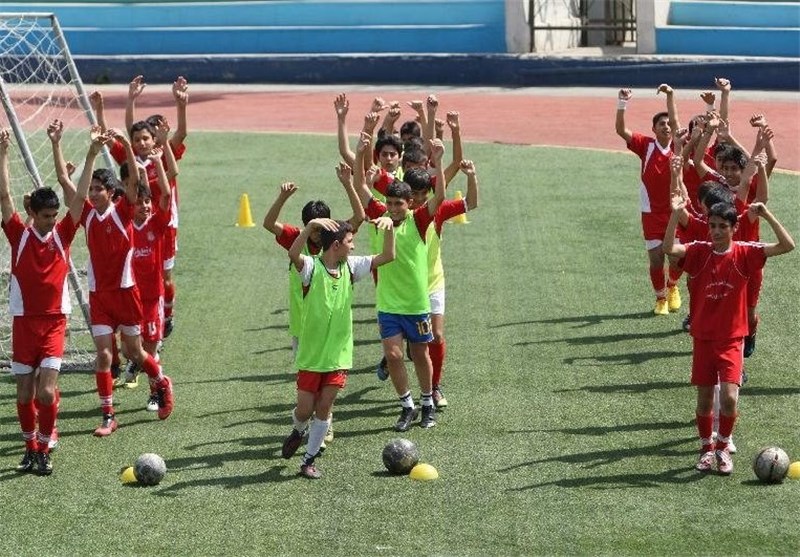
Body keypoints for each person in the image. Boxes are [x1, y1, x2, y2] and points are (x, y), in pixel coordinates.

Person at [663, 195, 794, 475]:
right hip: (703, 338)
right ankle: (706, 450)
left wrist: (767, 215)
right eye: (712, 226)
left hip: (732, 339)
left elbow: (788, 245)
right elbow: (668, 249)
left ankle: (722, 447)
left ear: (734, 228)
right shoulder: (698, 250)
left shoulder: (746, 252)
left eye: (723, 226)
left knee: (731, 397)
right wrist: (675, 214)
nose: (716, 231)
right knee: (704, 400)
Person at [68, 128, 174, 436]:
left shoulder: (124, 212)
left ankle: (161, 383)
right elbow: (71, 186)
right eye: (93, 188)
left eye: (99, 188)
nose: (93, 192)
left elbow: (137, 184)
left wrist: (127, 145)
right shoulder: (87, 215)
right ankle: (108, 415)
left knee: (136, 353)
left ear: (112, 193)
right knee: (103, 354)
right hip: (99, 295)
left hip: (127, 294)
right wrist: (86, 153)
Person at [280, 216, 395, 479]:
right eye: (350, 242)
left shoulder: (351, 267)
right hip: (311, 355)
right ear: (335, 246)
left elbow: (388, 255)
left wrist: (389, 229)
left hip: (338, 354)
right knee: (304, 410)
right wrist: (309, 228)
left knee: (324, 407)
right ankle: (298, 430)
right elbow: (293, 253)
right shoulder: (310, 267)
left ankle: (308, 460)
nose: (353, 247)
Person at [262, 163, 365, 444]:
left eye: (324, 228)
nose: (321, 235)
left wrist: (347, 183)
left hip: (330, 329)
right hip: (302, 326)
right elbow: (269, 224)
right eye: (317, 229)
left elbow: (359, 216)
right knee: (309, 384)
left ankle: (325, 422)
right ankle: (305, 424)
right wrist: (282, 198)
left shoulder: (337, 245)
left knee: (327, 385)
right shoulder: (299, 241)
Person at [0, 129, 81, 475]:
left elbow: (77, 203)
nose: (51, 222)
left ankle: (45, 448)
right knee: (23, 395)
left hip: (53, 323)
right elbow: (4, 195)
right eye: (46, 216)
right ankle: (31, 448)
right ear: (33, 212)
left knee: (46, 393)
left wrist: (91, 153)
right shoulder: (18, 234)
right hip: (23, 323)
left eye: (54, 216)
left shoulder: (63, 234)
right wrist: (3, 153)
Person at [355, 133, 446, 431]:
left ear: (409, 203)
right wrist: (360, 152)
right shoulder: (380, 215)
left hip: (416, 303)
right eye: (389, 203)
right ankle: (406, 405)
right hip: (389, 304)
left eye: (398, 204)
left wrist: (440, 160)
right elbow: (360, 186)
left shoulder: (420, 220)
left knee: (420, 353)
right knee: (393, 355)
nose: (393, 208)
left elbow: (441, 197)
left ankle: (427, 402)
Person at [402, 160, 480, 408]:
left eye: (423, 194)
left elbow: (471, 203)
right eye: (413, 194)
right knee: (417, 342)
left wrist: (471, 176)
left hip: (434, 281)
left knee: (436, 335)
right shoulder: (395, 213)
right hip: (407, 286)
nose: (418, 198)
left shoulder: (439, 210)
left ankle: (434, 387)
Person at [116, 146, 177, 417]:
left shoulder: (156, 224)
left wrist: (156, 162)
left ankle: (156, 392)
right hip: (130, 298)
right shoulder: (126, 225)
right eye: (139, 202)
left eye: (147, 202)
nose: (144, 206)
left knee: (149, 349)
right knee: (131, 350)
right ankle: (146, 372)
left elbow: (166, 192)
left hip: (152, 299)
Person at [615, 88, 683, 315]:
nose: (666, 126)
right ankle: (660, 298)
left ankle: (673, 285)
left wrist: (670, 96)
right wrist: (622, 102)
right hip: (650, 213)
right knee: (656, 260)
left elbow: (675, 120)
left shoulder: (678, 147)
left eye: (668, 123)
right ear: (653, 129)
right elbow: (621, 130)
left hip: (674, 212)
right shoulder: (646, 146)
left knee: (676, 258)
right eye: (660, 124)